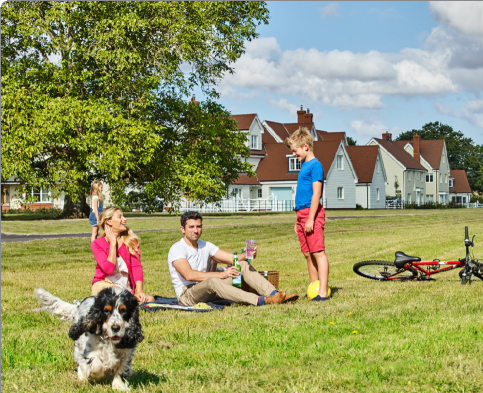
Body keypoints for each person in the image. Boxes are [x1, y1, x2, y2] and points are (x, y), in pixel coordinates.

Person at [168, 211, 297, 306]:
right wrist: (222, 274)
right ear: (182, 229)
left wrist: (246, 255)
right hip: (187, 295)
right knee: (213, 280)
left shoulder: (205, 245)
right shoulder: (177, 248)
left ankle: (274, 295)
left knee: (242, 265)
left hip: (207, 288)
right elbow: (189, 275)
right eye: (191, 227)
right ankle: (260, 301)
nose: (196, 230)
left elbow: (231, 258)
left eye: (198, 226)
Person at [286, 127, 330, 301]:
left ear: (305, 146)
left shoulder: (316, 166)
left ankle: (323, 292)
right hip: (301, 215)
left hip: (312, 214)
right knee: (308, 253)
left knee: (318, 252)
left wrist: (311, 218)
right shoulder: (304, 166)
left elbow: (316, 194)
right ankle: (314, 286)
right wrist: (299, 221)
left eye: (295, 151)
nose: (294, 155)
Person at [91, 207, 155, 302]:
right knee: (117, 295)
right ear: (109, 221)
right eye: (119, 217)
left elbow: (136, 266)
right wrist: (113, 244)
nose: (124, 219)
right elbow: (109, 269)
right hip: (103, 284)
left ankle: (128, 299)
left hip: (124, 288)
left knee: (150, 299)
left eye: (123, 216)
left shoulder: (130, 241)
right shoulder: (97, 244)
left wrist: (140, 291)